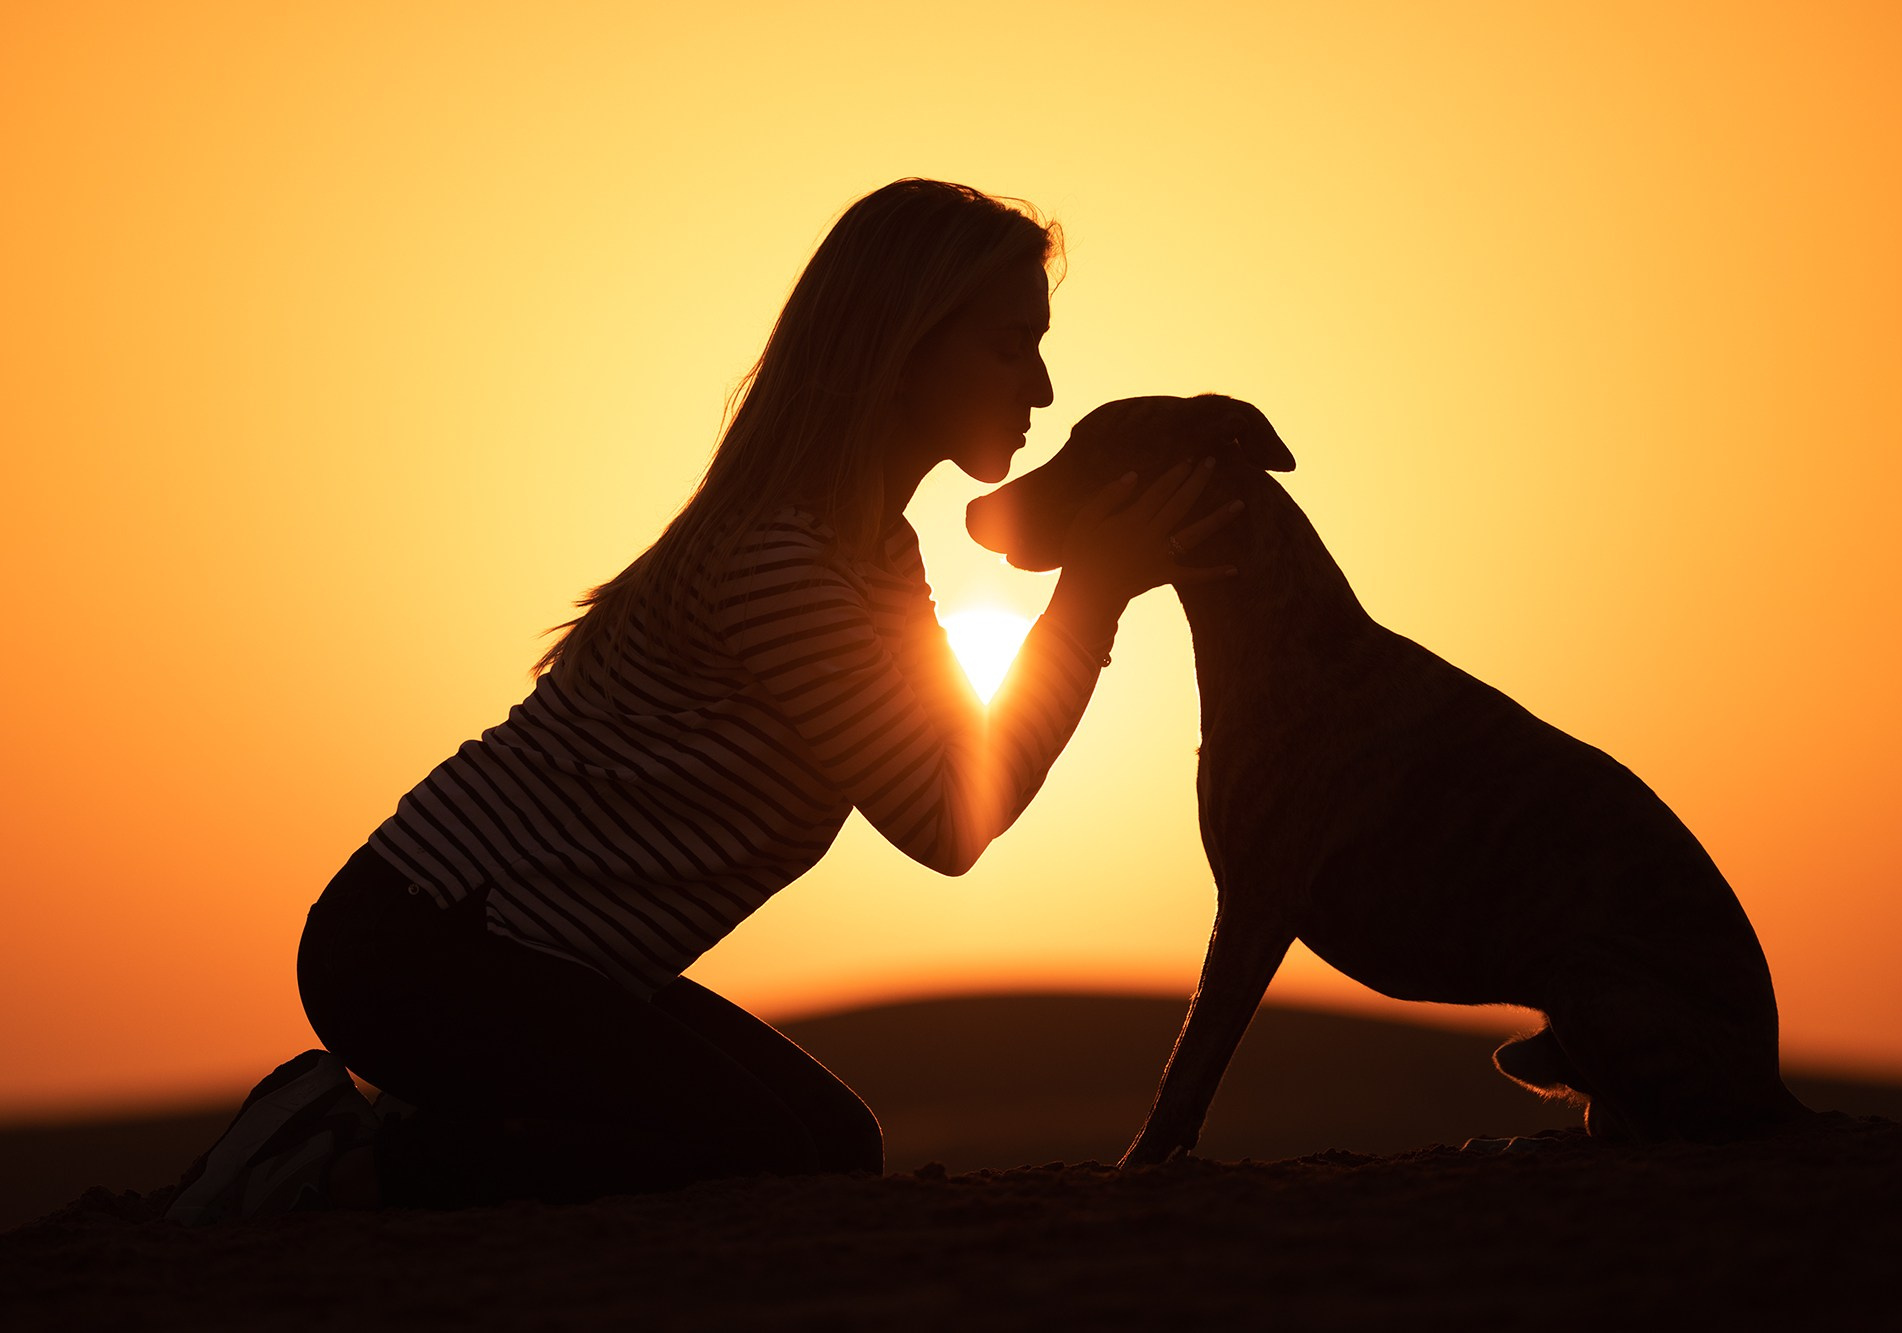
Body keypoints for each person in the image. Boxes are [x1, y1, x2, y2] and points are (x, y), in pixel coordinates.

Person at [168, 178, 1238, 1222]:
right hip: (423, 949)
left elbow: (957, 775)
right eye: (1010, 345)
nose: (1041, 388)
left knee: (831, 1148)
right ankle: (331, 1163)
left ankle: (427, 1113)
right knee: (766, 1162)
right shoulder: (783, 561)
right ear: (903, 346)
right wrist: (1088, 594)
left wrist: (1084, 593)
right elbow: (943, 822)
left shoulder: (873, 552)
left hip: (540, 959)